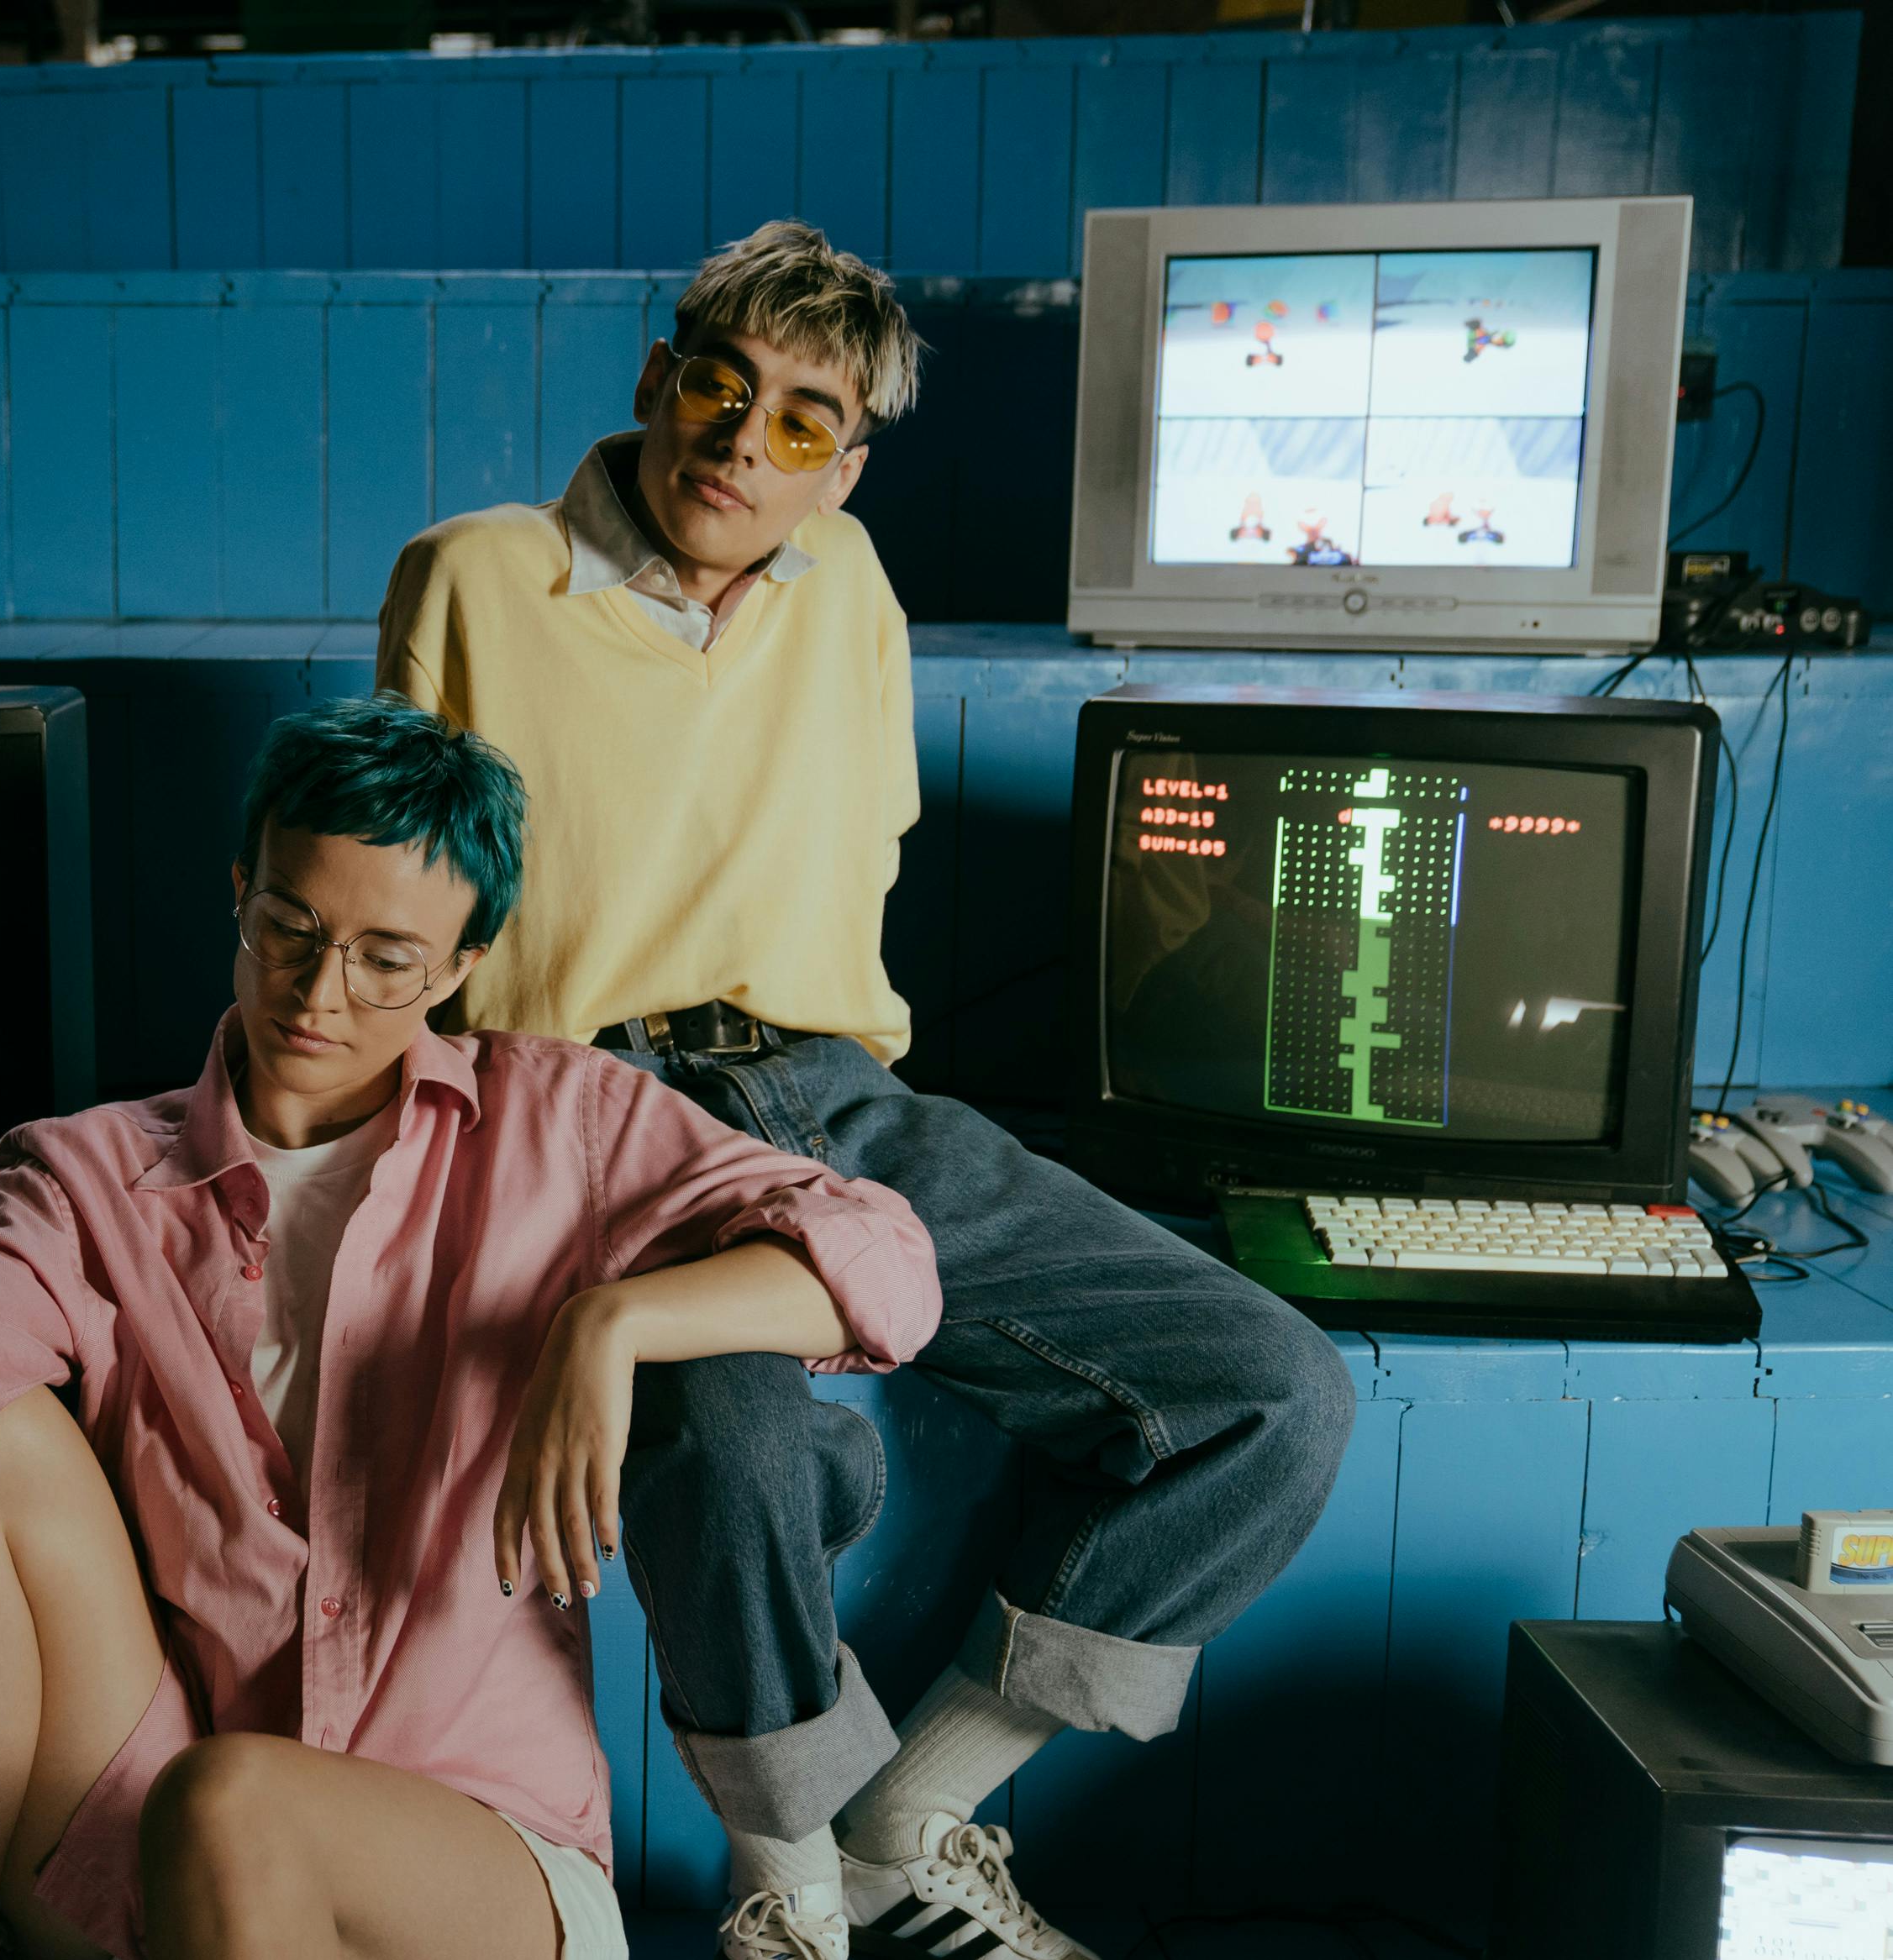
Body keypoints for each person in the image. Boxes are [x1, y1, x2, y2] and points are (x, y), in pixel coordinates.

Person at [0, 693, 943, 1960]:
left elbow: (883, 1255)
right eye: (292, 922)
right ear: (241, 888)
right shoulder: (93, 1169)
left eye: (386, 958)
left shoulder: (566, 1124)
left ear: (464, 963)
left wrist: (611, 1322)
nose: (320, 988)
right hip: (159, 1832)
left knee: (242, 1800)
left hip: (477, 1866)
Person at [377, 220, 1357, 1960]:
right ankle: (790, 1895)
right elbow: (408, 902)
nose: (744, 445)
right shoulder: (474, 576)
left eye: (806, 422)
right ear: (655, 380)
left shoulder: (852, 592)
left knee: (1273, 1392)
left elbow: (849, 859)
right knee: (737, 1434)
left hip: (834, 1100)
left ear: (848, 463)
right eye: (718, 387)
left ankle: (917, 1815)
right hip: (596, 1109)